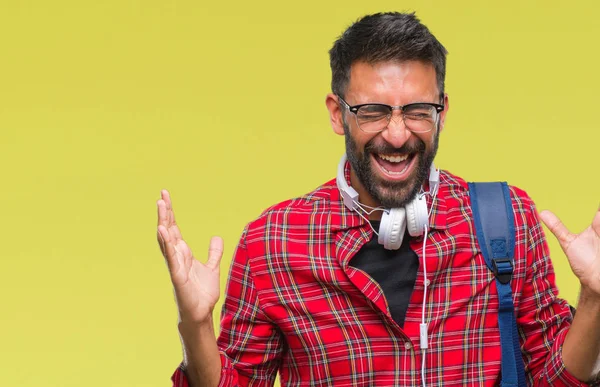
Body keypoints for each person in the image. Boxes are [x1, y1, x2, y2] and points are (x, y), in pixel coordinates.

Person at [156, 12, 600, 387]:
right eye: (373, 111)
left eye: (417, 110)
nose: (397, 134)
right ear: (337, 113)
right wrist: (195, 325)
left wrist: (596, 299)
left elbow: (556, 378)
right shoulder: (273, 243)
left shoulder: (506, 220)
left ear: (442, 111)